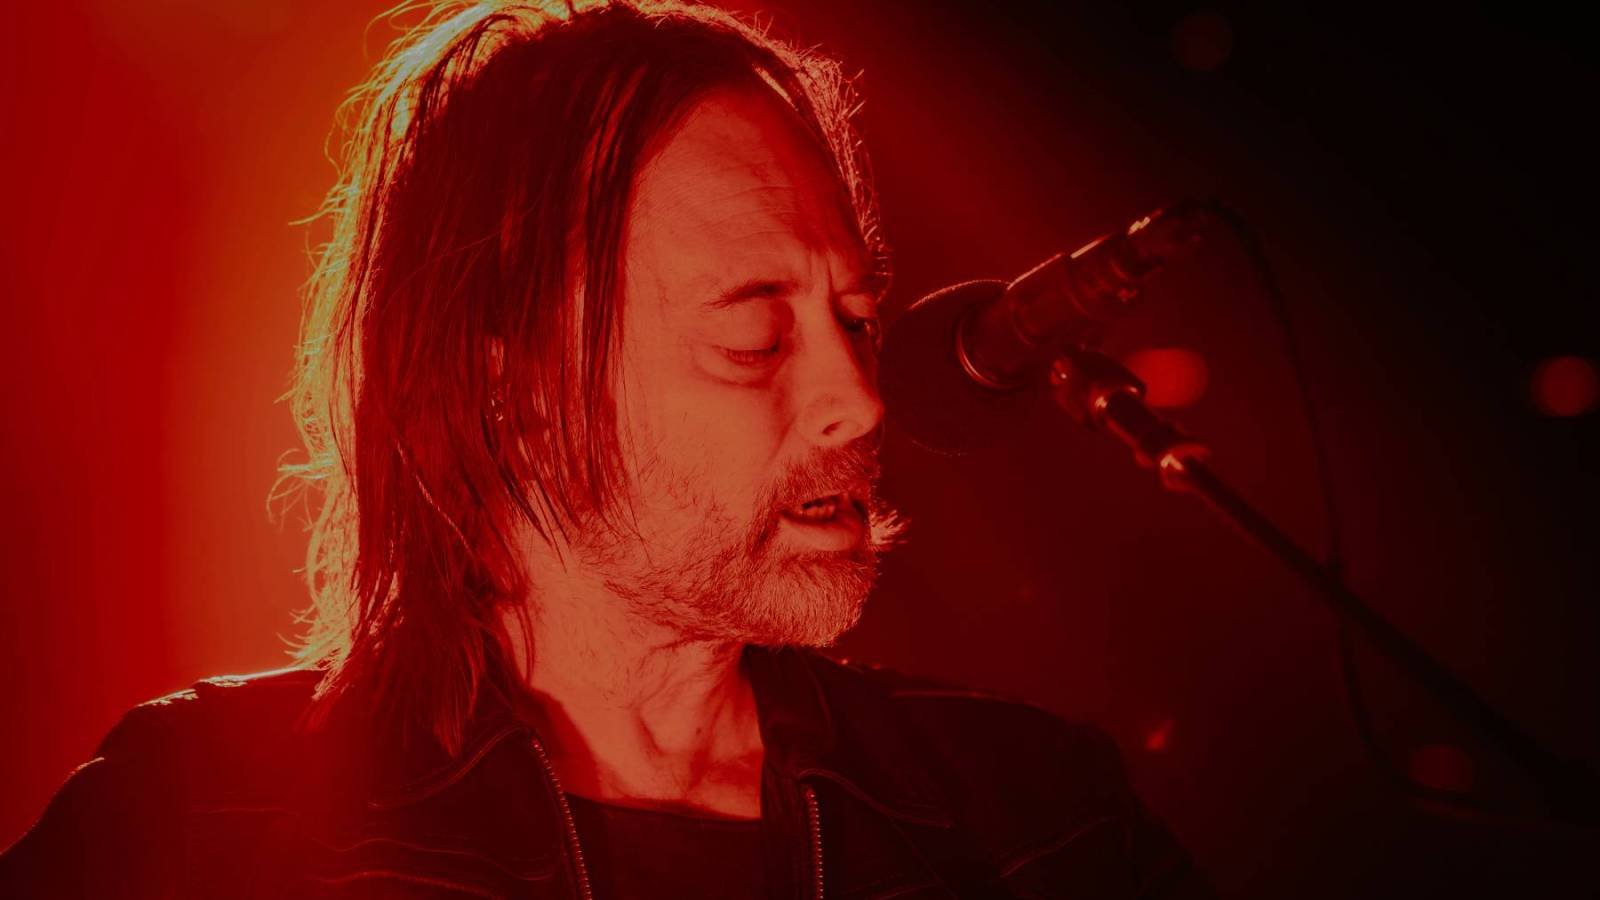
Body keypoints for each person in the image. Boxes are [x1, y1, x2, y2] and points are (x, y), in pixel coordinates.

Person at [0, 2, 1209, 896]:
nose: (857, 398)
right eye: (752, 339)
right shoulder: (201, 821)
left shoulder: (1038, 816)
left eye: (854, 319)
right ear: (514, 385)